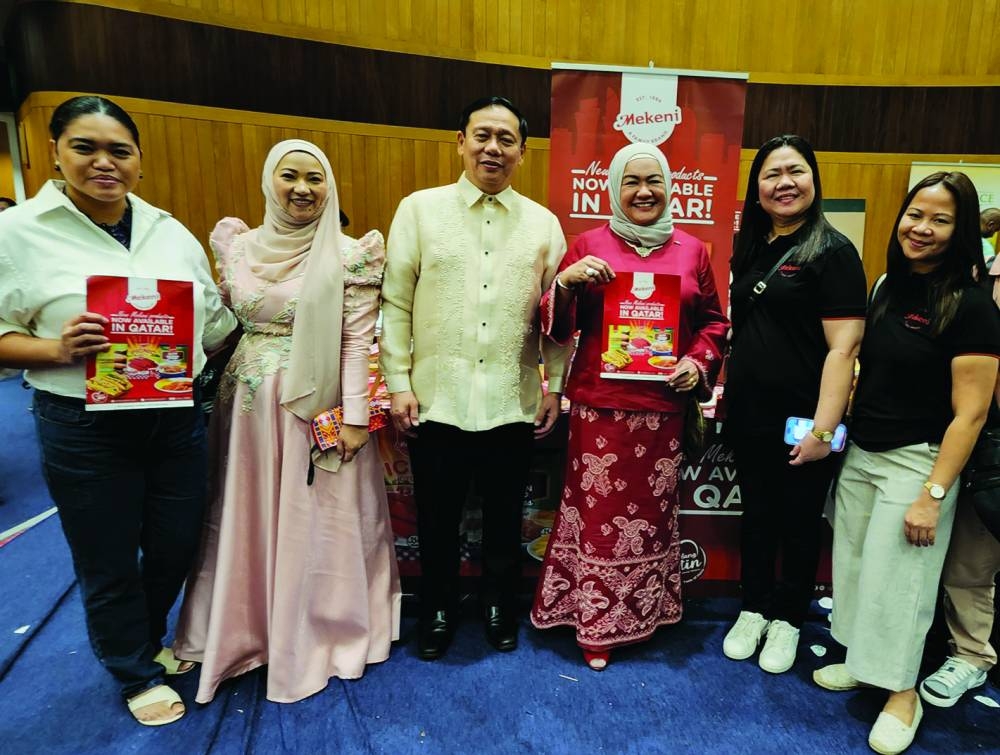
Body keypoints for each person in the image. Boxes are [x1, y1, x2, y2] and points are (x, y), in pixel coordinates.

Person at [0, 96, 237, 726]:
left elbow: (214, 321)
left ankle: (148, 636)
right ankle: (133, 671)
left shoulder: (168, 228)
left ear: (138, 160)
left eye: (119, 150)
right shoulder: (17, 233)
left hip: (173, 413)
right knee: (105, 554)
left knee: (175, 543)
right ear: (54, 151)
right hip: (83, 423)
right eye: (85, 147)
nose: (103, 162)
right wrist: (55, 347)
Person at [174, 139, 401, 703]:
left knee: (319, 517)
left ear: (330, 188)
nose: (302, 189)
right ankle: (245, 628)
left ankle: (321, 631)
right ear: (268, 182)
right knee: (244, 513)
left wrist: (353, 418)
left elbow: (355, 342)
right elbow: (221, 326)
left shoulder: (353, 253)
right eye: (289, 176)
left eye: (315, 179)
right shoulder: (237, 245)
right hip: (247, 406)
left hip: (319, 406)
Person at [814, 171, 1000, 754]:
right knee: (856, 568)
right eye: (916, 214)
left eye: (940, 220)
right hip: (863, 453)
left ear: (960, 229)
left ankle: (902, 693)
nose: (922, 228)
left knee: (901, 585)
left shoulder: (971, 306)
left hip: (916, 465)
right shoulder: (888, 284)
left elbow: (969, 415)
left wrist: (933, 494)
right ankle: (866, 663)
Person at [380, 95, 570, 659]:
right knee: (436, 516)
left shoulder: (543, 224)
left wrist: (554, 385)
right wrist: (397, 381)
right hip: (437, 400)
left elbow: (559, 318)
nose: (493, 148)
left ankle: (497, 605)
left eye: (506, 139)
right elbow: (394, 303)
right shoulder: (419, 210)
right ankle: (437, 610)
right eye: (482, 135)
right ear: (459, 142)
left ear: (523, 152)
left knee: (506, 516)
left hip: (512, 401)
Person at [529, 143, 728, 670]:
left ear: (670, 188)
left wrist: (697, 361)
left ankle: (647, 609)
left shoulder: (693, 251)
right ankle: (595, 622)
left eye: (654, 181)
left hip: (662, 409)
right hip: (601, 409)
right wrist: (566, 285)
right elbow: (555, 325)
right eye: (632, 182)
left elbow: (714, 322)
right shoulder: (589, 244)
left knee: (653, 514)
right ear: (614, 189)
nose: (644, 192)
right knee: (597, 516)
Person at [722, 135, 867, 674]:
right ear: (757, 189)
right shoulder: (751, 245)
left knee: (800, 522)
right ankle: (753, 608)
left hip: (806, 419)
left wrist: (825, 431)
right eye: (771, 174)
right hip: (751, 412)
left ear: (813, 179)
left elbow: (843, 348)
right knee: (757, 516)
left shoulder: (833, 251)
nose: (784, 182)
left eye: (796, 171)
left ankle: (786, 620)